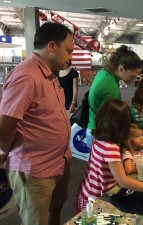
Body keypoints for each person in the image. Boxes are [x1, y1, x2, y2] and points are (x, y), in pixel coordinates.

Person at [0, 22, 74, 225]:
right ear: (51, 47)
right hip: (35, 170)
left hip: (58, 162)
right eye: (68, 51)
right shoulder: (26, 75)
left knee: (55, 210)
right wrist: (3, 152)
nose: (70, 57)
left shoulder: (49, 74)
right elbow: (6, 122)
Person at [74, 99, 143, 214]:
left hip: (87, 192)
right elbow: (123, 180)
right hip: (97, 200)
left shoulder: (97, 137)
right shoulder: (110, 148)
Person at [86, 45, 143, 149]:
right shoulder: (111, 88)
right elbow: (112, 122)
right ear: (121, 68)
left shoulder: (105, 72)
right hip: (101, 136)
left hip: (93, 128)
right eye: (132, 76)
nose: (134, 79)